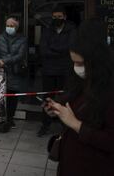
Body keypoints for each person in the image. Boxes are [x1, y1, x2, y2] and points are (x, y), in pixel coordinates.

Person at [44, 19, 114, 176]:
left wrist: (76, 124)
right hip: (70, 161)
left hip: (95, 166)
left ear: (95, 61)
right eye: (74, 63)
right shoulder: (80, 80)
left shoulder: (108, 89)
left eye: (81, 64)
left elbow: (109, 139)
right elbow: (73, 101)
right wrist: (57, 108)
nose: (77, 69)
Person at [37, 5, 76, 137]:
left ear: (65, 17)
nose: (56, 19)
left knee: (64, 98)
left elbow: (70, 47)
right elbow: (43, 49)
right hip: (48, 70)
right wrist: (60, 50)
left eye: (59, 17)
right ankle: (45, 124)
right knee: (47, 98)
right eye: (54, 17)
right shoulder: (47, 30)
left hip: (65, 71)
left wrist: (53, 48)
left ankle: (64, 126)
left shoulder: (72, 30)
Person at [0, 17, 27, 131]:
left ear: (16, 27)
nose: (9, 28)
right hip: (2, 72)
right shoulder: (0, 38)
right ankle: (1, 117)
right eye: (8, 25)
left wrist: (5, 61)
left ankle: (10, 118)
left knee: (12, 97)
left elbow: (20, 55)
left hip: (15, 71)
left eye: (12, 26)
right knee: (2, 95)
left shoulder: (22, 39)